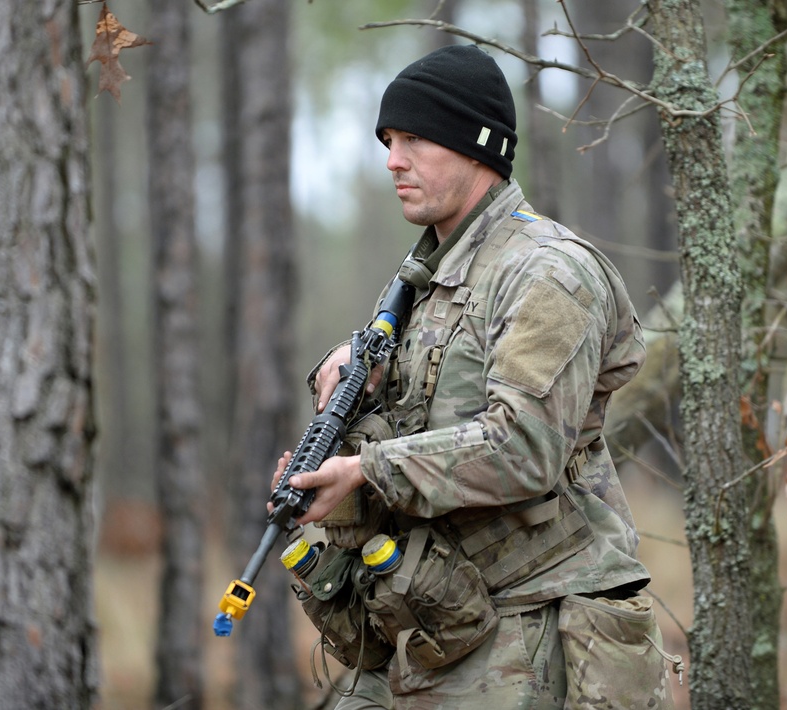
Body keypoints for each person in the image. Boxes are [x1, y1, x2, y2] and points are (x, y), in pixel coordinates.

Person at [274, 44, 676, 709]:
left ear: (477, 146)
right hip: (436, 622)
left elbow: (523, 450)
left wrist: (370, 470)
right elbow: (424, 412)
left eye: (414, 139)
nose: (392, 159)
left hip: (537, 626)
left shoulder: (546, 272)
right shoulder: (423, 280)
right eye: (388, 140)